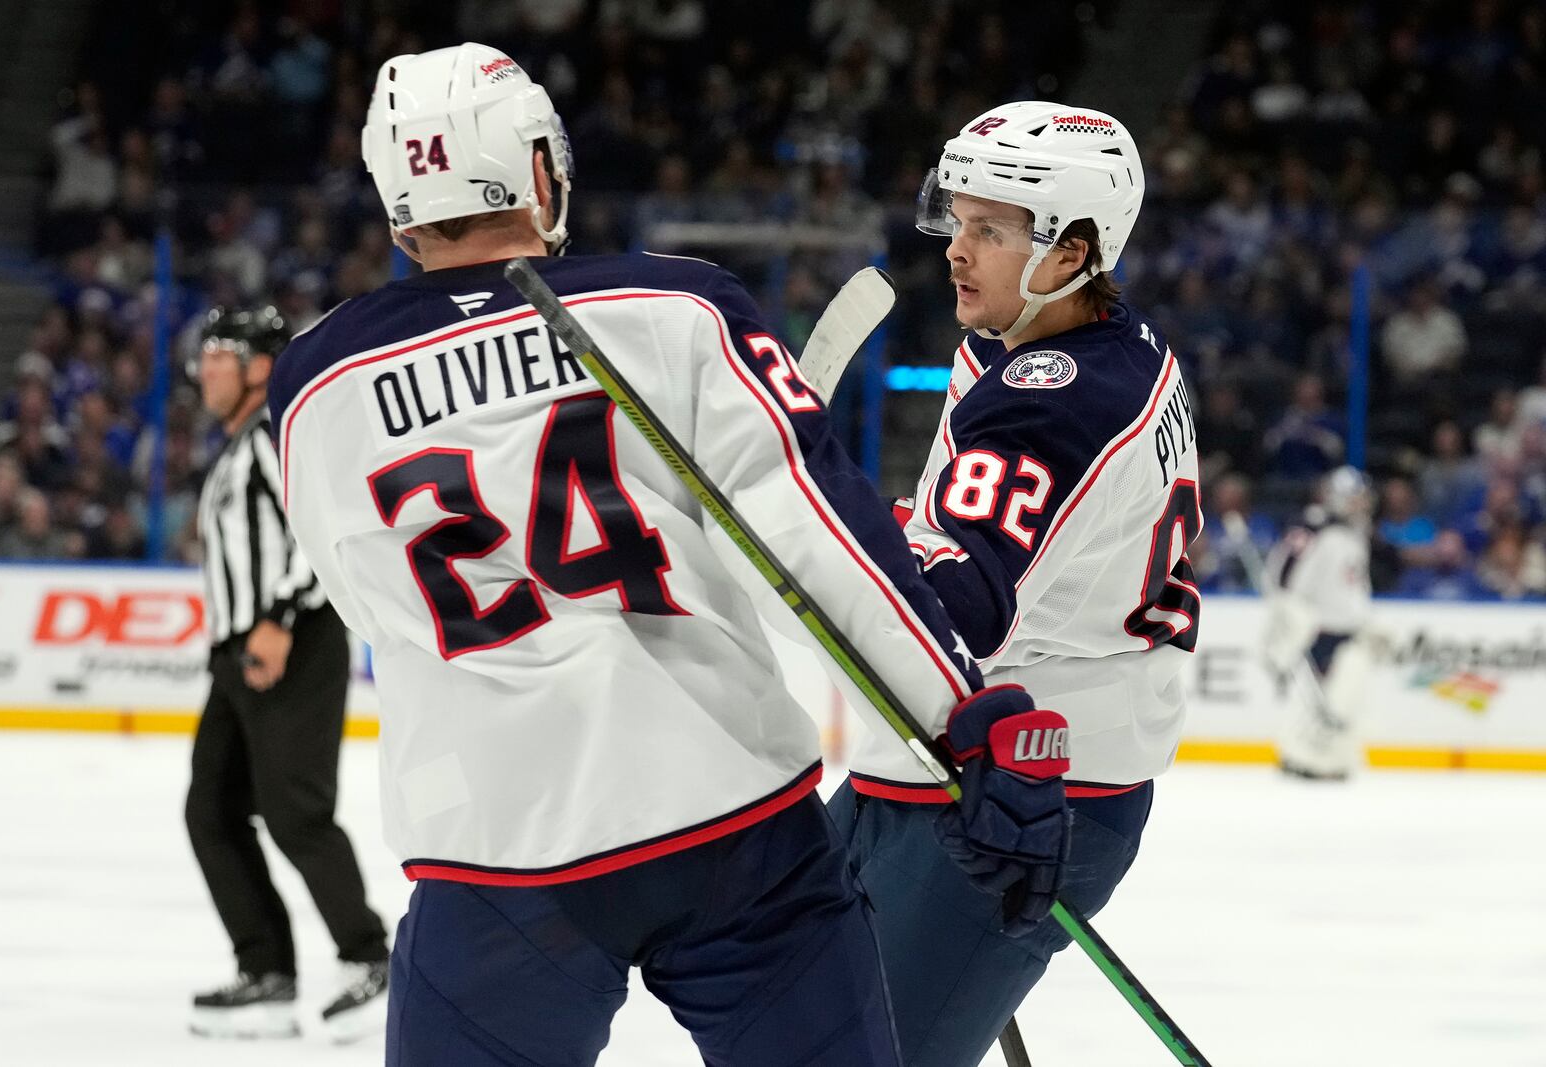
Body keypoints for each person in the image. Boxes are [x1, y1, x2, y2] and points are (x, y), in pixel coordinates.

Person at [269, 44, 1068, 1067]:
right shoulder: (675, 308)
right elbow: (820, 545)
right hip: (727, 822)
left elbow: (369, 600)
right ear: (538, 170)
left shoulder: (315, 384)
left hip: (497, 853)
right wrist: (961, 719)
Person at [828, 101, 1201, 1067]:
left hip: (1024, 788)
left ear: (1074, 251)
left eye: (992, 230)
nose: (959, 249)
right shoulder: (1053, 345)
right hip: (941, 758)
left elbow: (953, 611)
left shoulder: (1057, 398)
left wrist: (811, 503)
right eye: (958, 220)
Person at [185, 305, 391, 1041]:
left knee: (296, 811)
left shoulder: (272, 435)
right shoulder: (240, 445)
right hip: (242, 654)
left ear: (260, 366)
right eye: (205, 356)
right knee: (210, 808)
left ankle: (371, 958)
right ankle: (266, 970)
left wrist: (276, 617)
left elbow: (322, 523)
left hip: (289, 641)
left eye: (221, 354)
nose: (205, 369)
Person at [1263, 467, 1376, 780]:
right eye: (1355, 498)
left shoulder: (1354, 532)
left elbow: (1353, 584)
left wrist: (1365, 618)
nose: (1361, 504)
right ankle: (1302, 757)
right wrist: (1290, 612)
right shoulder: (1315, 528)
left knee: (1341, 698)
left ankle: (1327, 758)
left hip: (1346, 627)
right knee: (1316, 700)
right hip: (1319, 628)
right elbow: (1283, 572)